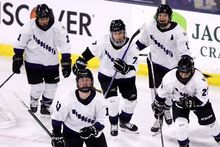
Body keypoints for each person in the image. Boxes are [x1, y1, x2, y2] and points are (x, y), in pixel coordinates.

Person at [72, 19, 139, 136]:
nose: (118, 36)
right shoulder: (104, 41)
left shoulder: (131, 46)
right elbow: (90, 51)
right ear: (111, 33)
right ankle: (114, 123)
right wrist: (81, 60)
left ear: (124, 32)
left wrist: (125, 68)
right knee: (113, 102)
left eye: (120, 33)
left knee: (132, 100)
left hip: (126, 78)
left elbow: (134, 68)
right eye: (115, 33)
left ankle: (124, 121)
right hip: (107, 76)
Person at [136, 4, 192, 132]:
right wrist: (129, 52)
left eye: (165, 16)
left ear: (170, 17)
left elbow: (184, 51)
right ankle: (158, 119)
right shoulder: (150, 26)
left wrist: (187, 60)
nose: (162, 18)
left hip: (172, 68)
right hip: (154, 65)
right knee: (155, 95)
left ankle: (167, 109)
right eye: (160, 15)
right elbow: (141, 43)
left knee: (170, 94)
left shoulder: (178, 31)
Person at [12, 4, 72, 115]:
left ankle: (46, 105)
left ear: (50, 16)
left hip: (52, 63)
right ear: (37, 17)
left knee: (52, 88)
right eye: (41, 19)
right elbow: (20, 43)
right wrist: (17, 57)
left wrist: (66, 62)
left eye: (46, 18)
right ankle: (34, 100)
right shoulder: (28, 27)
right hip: (33, 63)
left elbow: (65, 45)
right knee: (37, 87)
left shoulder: (58, 27)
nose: (44, 21)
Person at [152, 55, 220, 147]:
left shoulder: (199, 79)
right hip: (179, 103)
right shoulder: (170, 77)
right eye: (181, 72)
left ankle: (218, 138)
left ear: (192, 70)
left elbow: (203, 99)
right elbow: (161, 94)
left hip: (198, 104)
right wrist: (157, 104)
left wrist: (193, 102)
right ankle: (184, 145)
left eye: (186, 72)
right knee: (181, 125)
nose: (183, 75)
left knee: (211, 124)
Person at [51, 69, 108, 147]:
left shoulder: (99, 100)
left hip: (92, 132)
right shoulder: (67, 99)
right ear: (77, 82)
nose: (84, 83)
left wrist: (92, 129)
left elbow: (102, 121)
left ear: (92, 81)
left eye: (87, 80)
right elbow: (57, 118)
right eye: (82, 80)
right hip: (71, 132)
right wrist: (57, 135)